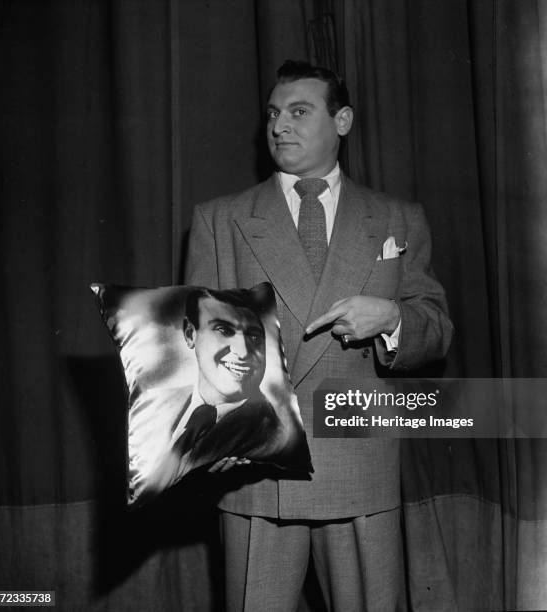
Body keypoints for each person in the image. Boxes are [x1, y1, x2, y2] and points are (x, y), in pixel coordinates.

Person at [185, 60, 453, 611]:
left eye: (299, 112)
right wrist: (212, 434)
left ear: (344, 120)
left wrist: (393, 321)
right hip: (256, 472)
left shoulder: (398, 218)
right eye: (274, 114)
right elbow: (195, 352)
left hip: (360, 463)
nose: (280, 126)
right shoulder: (220, 219)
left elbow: (437, 330)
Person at [171, 288, 281, 469]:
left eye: (254, 336)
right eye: (224, 330)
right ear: (190, 333)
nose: (243, 352)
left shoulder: (272, 434)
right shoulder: (157, 404)